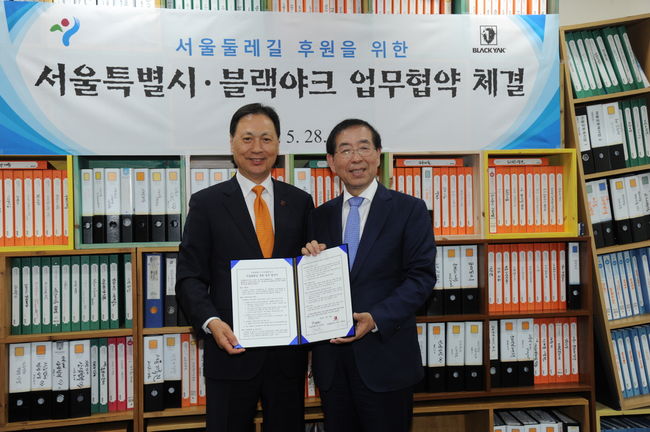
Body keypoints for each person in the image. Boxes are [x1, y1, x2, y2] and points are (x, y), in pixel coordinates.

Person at [176, 103, 314, 432]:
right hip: (230, 350)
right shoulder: (206, 203)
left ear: (278, 144)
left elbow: (308, 271)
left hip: (287, 357)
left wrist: (315, 256)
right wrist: (211, 322)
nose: (257, 148)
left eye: (266, 139)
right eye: (247, 138)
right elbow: (189, 276)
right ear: (232, 143)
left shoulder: (300, 202)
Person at [302, 118, 436, 432]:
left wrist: (375, 318)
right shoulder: (318, 216)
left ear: (378, 155)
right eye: (345, 150)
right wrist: (307, 260)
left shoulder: (409, 210)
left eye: (363, 148)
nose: (356, 158)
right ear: (332, 162)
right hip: (332, 365)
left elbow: (421, 278)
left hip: (387, 360)